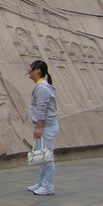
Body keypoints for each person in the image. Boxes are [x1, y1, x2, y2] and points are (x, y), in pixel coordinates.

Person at [27, 60, 59, 196]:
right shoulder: (41, 86)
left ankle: (48, 186)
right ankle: (41, 183)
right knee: (43, 157)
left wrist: (39, 128)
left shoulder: (42, 88)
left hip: (46, 127)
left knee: (47, 158)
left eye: (31, 68)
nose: (29, 70)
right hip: (45, 126)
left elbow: (42, 109)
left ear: (38, 70)